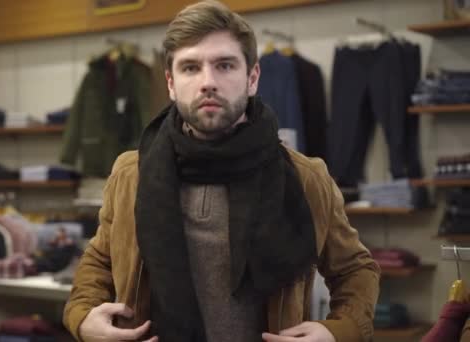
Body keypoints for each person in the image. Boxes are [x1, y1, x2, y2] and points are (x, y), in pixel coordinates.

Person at [63, 1, 380, 341]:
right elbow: (99, 258)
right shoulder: (132, 174)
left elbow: (356, 270)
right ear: (170, 83)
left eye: (225, 65)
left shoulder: (305, 177)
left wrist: (337, 332)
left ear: (252, 77)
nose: (207, 82)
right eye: (190, 68)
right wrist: (82, 317)